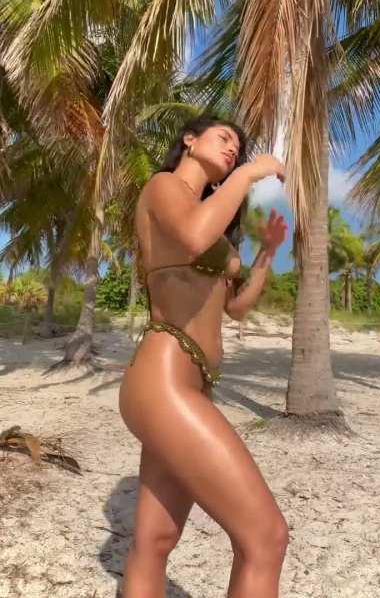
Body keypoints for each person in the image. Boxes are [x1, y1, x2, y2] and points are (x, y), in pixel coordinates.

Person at [119, 116, 288, 598]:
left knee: (155, 540)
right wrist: (249, 173)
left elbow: (236, 307)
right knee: (266, 537)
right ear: (189, 140)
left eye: (239, 147)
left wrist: (266, 254)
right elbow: (192, 237)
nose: (233, 148)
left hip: (188, 386)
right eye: (224, 137)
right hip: (164, 378)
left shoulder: (214, 224)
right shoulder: (164, 187)